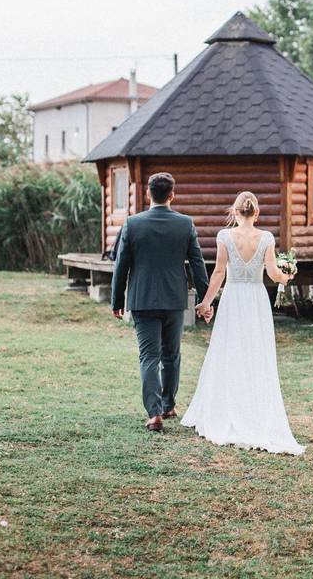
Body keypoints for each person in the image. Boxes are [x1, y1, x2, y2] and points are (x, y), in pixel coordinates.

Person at [181, 191, 305, 455]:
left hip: (234, 297)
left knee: (229, 351)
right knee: (255, 353)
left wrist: (206, 303)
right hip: (256, 299)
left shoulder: (225, 236)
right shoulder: (267, 238)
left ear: (235, 212)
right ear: (256, 213)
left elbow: (218, 272)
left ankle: (228, 408)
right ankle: (252, 407)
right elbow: (272, 272)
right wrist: (286, 277)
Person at [111, 172, 210, 432]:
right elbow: (198, 264)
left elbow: (121, 265)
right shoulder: (185, 224)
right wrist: (205, 299)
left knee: (149, 357)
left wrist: (116, 299)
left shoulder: (132, 224)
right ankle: (168, 405)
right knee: (171, 355)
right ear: (172, 195)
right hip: (175, 298)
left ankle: (154, 414)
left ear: (148, 194)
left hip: (142, 299)